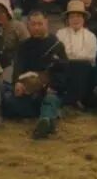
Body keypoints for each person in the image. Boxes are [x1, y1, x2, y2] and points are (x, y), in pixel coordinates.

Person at [4, 11, 67, 139]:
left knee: (50, 99)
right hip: (28, 91)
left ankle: (45, 121)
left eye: (40, 24)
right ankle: (49, 115)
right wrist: (18, 83)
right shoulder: (24, 46)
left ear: (46, 23)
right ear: (28, 25)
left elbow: (63, 70)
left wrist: (52, 86)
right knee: (8, 102)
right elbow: (18, 69)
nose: (36, 27)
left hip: (49, 90)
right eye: (33, 24)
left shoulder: (57, 45)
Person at [56, 0, 97, 106]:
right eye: (72, 17)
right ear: (68, 19)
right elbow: (58, 55)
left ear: (83, 18)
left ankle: (80, 99)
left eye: (78, 16)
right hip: (66, 67)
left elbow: (92, 57)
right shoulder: (60, 34)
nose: (75, 19)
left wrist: (74, 58)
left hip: (84, 70)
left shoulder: (91, 36)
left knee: (83, 66)